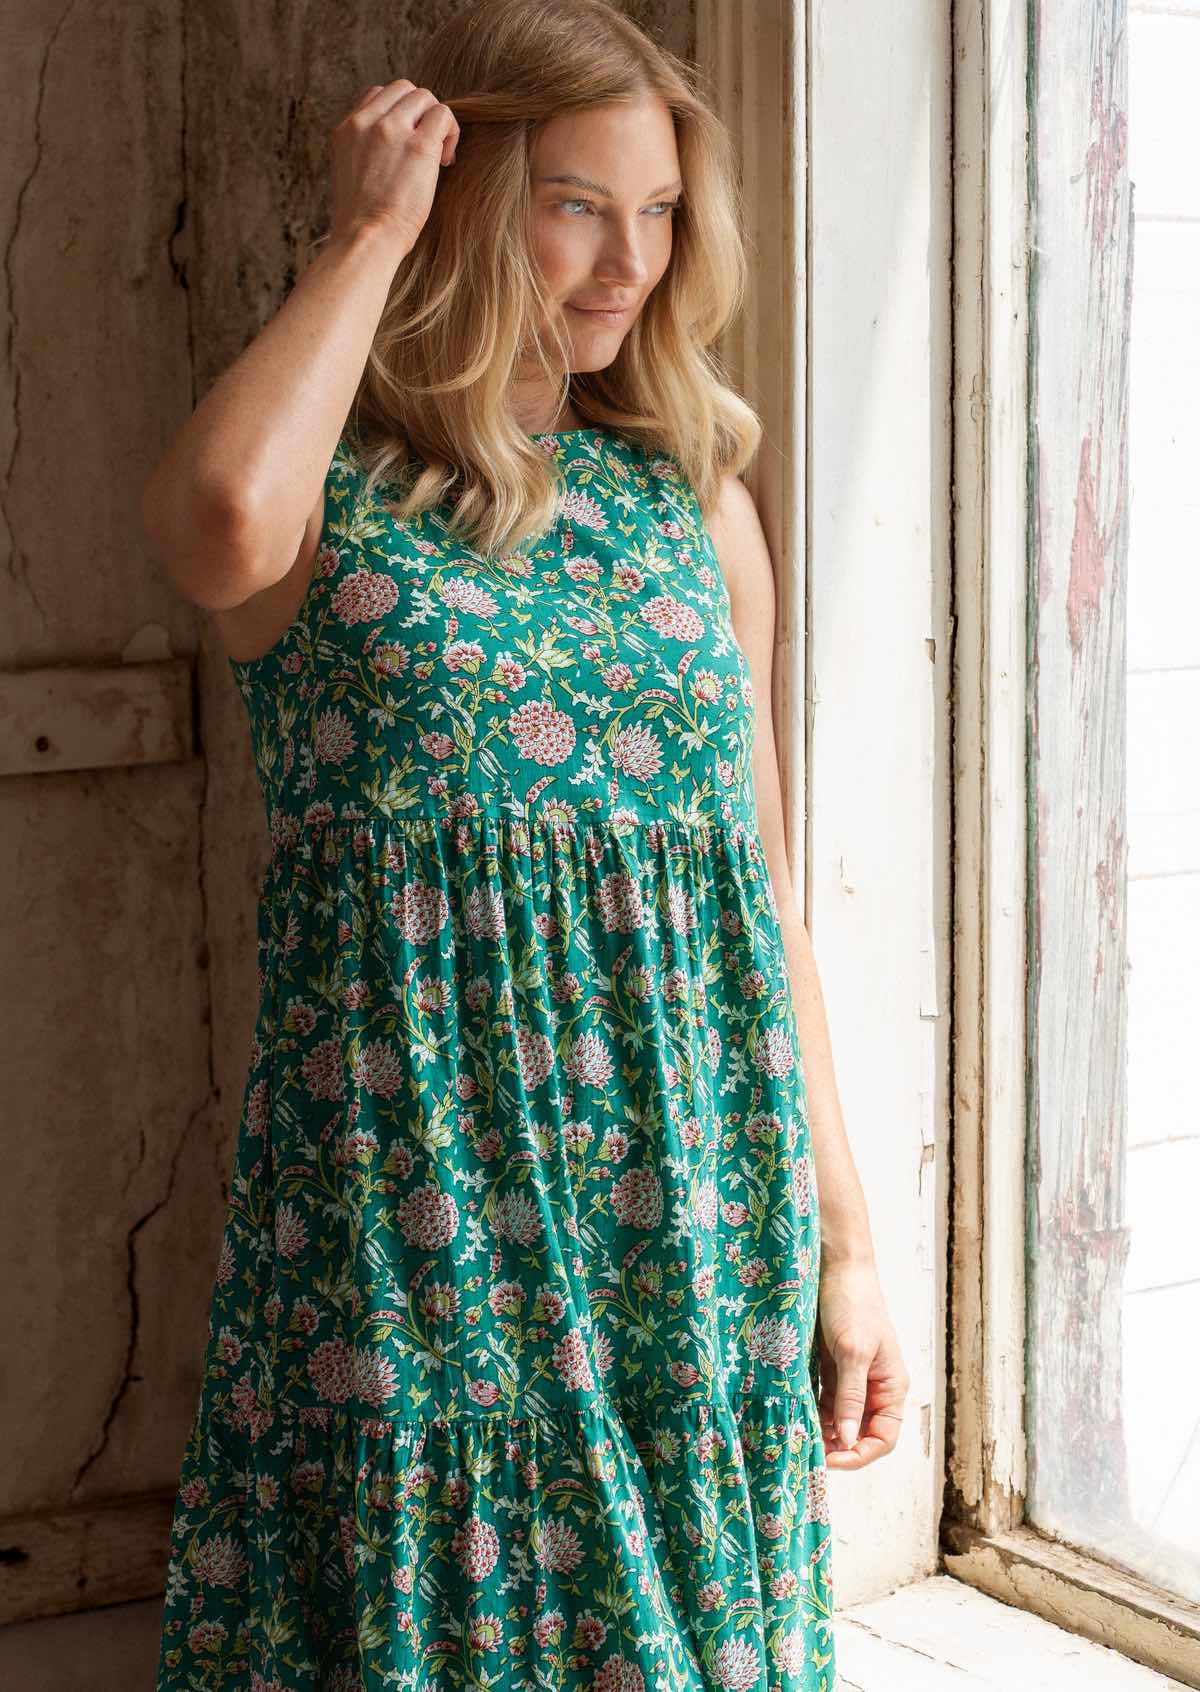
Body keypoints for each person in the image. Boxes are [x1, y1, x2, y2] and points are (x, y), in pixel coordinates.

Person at [144, 2, 907, 1688]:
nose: (629, 264)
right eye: (577, 205)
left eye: (660, 213)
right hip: (419, 1212)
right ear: (469, 197)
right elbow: (213, 522)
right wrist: (367, 237)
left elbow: (764, 897)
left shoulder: (691, 499)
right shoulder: (330, 493)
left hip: (689, 1217)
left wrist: (847, 1243)